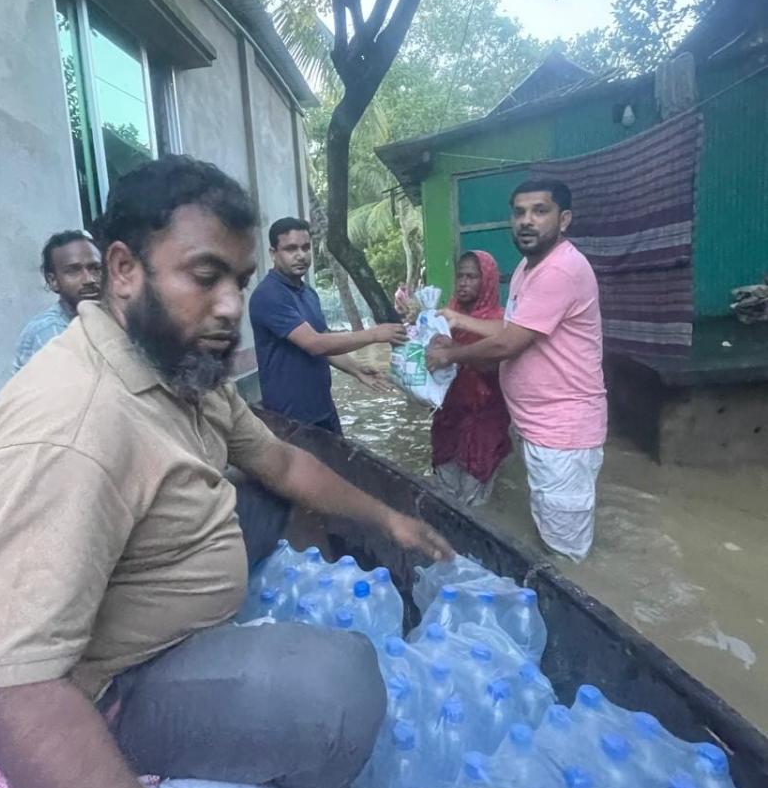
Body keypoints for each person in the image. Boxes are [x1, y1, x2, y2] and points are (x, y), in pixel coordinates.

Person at [0, 157, 452, 788]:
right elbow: (15, 699)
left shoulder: (179, 359)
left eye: (241, 280)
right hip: (111, 691)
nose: (231, 306)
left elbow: (280, 462)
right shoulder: (70, 431)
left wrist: (386, 516)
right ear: (123, 269)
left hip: (158, 602)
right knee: (337, 689)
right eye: (205, 276)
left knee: (259, 498)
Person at [428, 178, 606, 562]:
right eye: (519, 212)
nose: (527, 220)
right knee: (549, 531)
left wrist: (451, 355)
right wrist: (457, 323)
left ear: (564, 219)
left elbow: (508, 344)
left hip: (563, 432)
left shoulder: (560, 270)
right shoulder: (529, 268)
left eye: (540, 211)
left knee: (565, 554)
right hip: (541, 427)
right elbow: (511, 327)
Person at [248, 218, 407, 433]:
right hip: (290, 419)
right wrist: (374, 334)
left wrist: (356, 369)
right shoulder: (269, 295)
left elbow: (325, 342)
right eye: (291, 249)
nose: (301, 255)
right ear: (273, 253)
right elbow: (314, 344)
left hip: (323, 409)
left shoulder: (309, 293)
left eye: (306, 247)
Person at [432, 250, 511, 506]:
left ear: (487, 280)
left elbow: (491, 365)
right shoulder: (444, 318)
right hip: (448, 420)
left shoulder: (500, 323)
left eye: (472, 277)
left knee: (473, 500)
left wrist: (453, 352)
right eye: (460, 276)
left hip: (483, 424)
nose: (463, 283)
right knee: (444, 496)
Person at [13, 230, 102, 372]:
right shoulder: (50, 331)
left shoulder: (106, 319)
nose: (89, 279)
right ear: (53, 281)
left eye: (96, 268)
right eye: (74, 271)